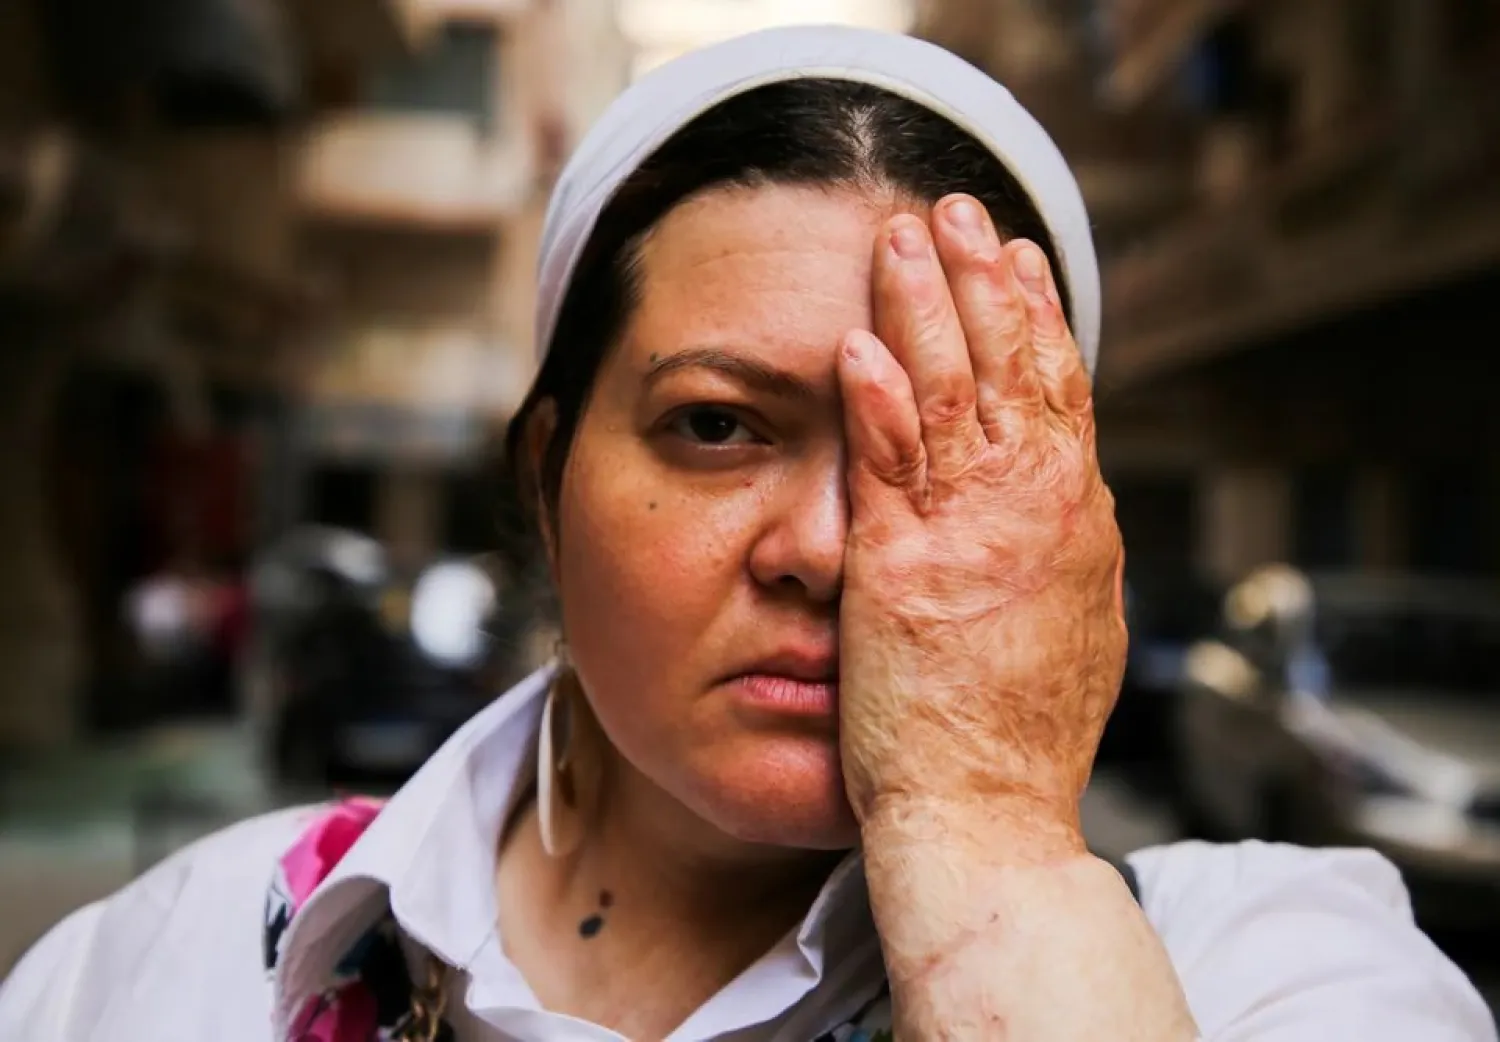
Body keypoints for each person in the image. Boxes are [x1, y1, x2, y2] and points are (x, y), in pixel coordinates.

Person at [1, 25, 1493, 1042]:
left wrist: (982, 833)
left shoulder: (1268, 971)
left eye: (945, 444)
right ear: (545, 477)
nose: (829, 547)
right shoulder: (176, 965)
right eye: (717, 425)